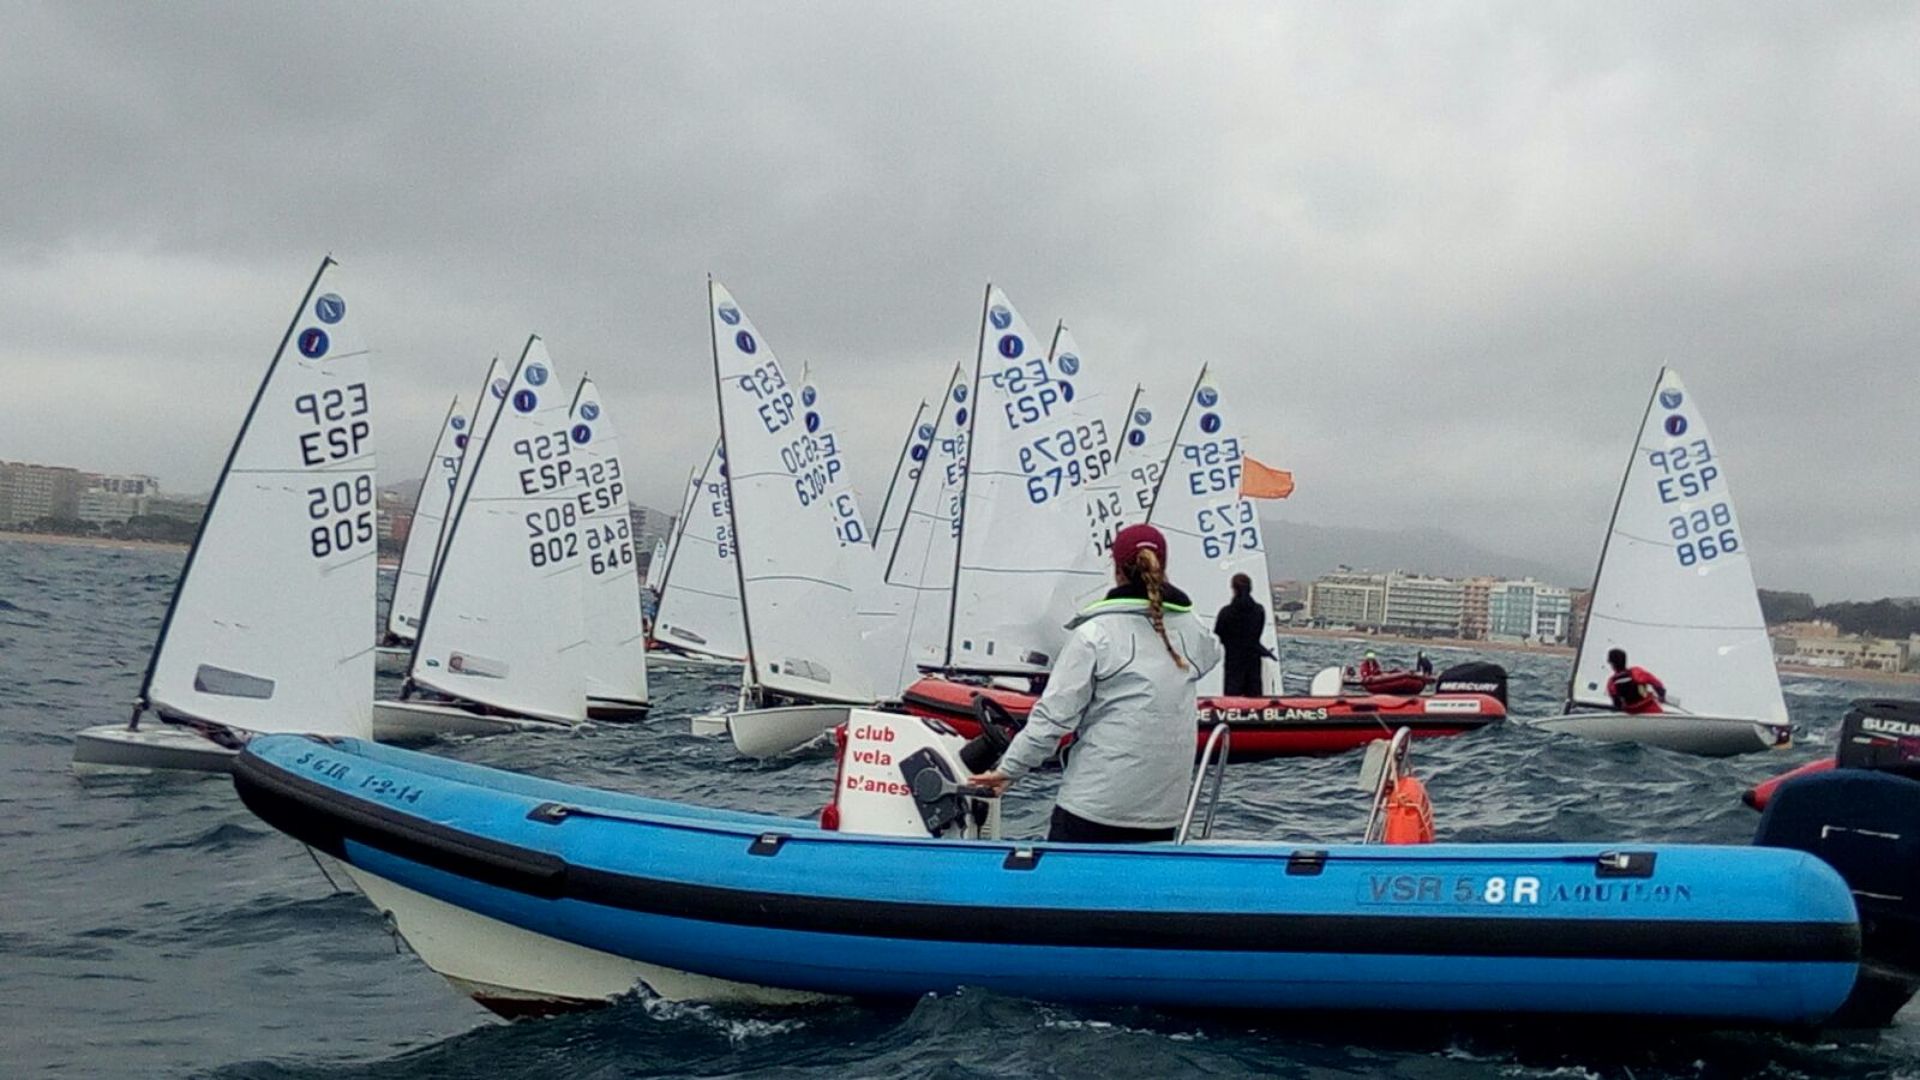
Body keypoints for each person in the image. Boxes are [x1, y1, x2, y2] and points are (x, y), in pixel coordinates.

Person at [969, 523, 1221, 843]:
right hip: (1163, 813)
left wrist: (1009, 770)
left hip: (1094, 808)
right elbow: (1213, 653)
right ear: (1163, 567)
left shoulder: (1095, 634)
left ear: (1117, 570)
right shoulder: (1192, 629)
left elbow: (1053, 718)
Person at [1213, 572, 1271, 697]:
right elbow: (1256, 635)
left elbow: (1218, 635)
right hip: (1253, 659)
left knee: (1232, 700)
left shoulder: (1226, 612)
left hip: (1233, 660)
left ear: (1233, 589)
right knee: (1254, 700)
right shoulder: (1259, 610)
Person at [1605, 648, 1666, 714]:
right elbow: (1657, 685)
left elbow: (1617, 704)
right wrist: (1661, 696)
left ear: (1612, 664)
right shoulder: (1637, 672)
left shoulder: (1611, 682)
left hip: (1632, 714)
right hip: (1651, 710)